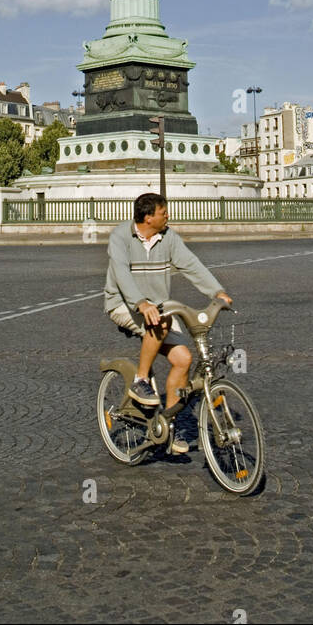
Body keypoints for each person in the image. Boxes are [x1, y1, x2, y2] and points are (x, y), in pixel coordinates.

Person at [104, 193, 232, 455]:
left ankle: (167, 429)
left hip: (158, 307)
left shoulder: (169, 238)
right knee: (160, 324)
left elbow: (191, 265)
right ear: (148, 217)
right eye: (164, 212)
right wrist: (140, 303)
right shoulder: (120, 237)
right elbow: (121, 273)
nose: (168, 216)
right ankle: (140, 379)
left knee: (184, 359)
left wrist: (216, 292)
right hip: (123, 305)